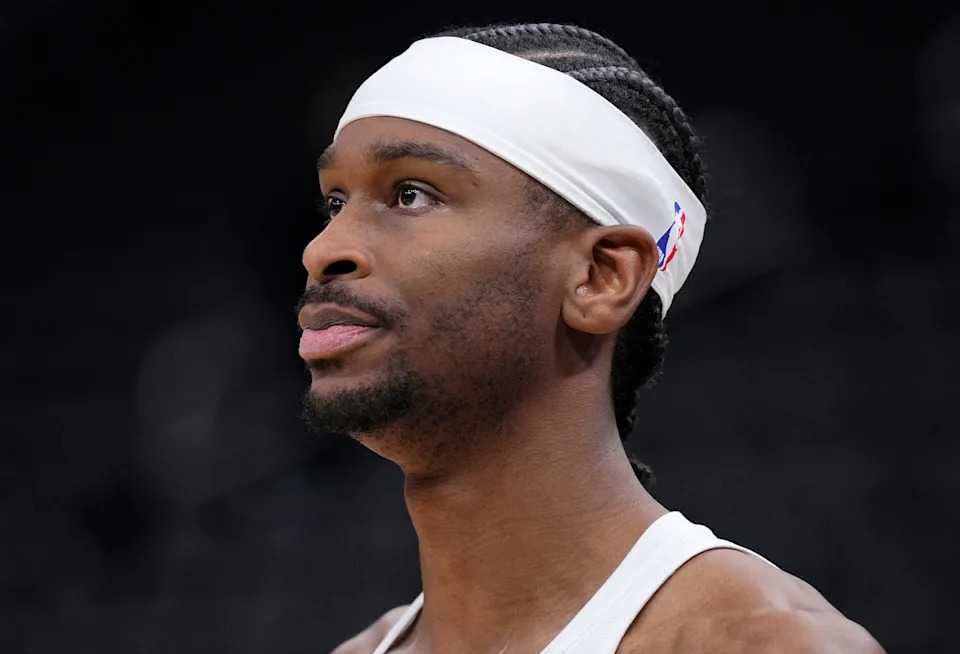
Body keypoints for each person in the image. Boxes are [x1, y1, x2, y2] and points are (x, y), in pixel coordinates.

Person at [297, 22, 885, 654]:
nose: (322, 250)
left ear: (602, 277)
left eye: (411, 195)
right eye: (336, 203)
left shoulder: (767, 643)